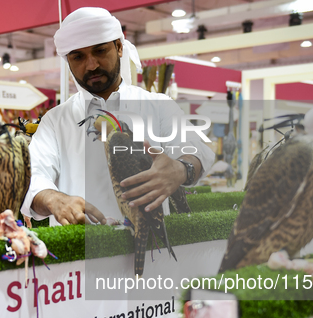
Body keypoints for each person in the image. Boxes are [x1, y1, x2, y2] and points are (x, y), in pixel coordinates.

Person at [21, 7, 215, 226]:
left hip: (151, 251)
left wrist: (180, 169)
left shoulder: (157, 105)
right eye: (78, 57)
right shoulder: (55, 121)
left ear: (119, 47)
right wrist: (54, 199)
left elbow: (197, 149)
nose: (92, 64)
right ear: (68, 61)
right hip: (80, 250)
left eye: (100, 51)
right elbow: (32, 177)